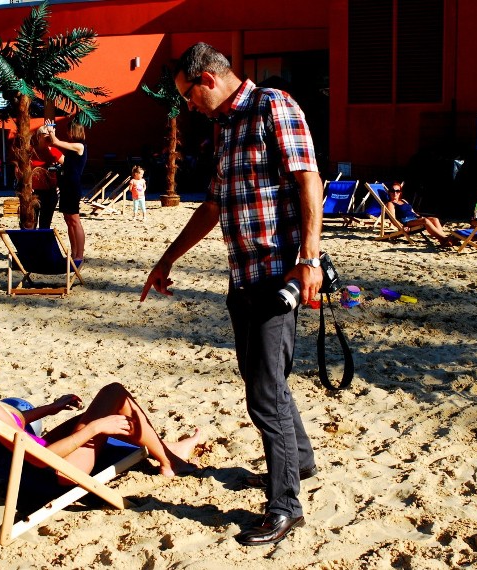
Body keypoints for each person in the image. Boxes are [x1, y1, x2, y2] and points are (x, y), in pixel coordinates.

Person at [140, 42, 322, 547]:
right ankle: (299, 461)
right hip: (241, 279)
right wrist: (167, 259)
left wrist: (308, 260)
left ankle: (285, 506)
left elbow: (310, 180)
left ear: (205, 81)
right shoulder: (224, 128)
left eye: (187, 97)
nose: (188, 108)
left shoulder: (272, 107)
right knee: (267, 382)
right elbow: (215, 205)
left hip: (276, 277)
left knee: (265, 394)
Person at [0, 328, 201, 478]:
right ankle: (170, 460)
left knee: (110, 401)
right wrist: (95, 428)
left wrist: (52, 408)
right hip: (55, 473)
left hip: (35, 460)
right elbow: (39, 460)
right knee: (114, 395)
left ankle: (168, 453)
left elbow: (11, 429)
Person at [46, 120, 87, 266]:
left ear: (74, 131)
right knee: (68, 220)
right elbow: (61, 157)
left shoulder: (79, 146)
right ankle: (74, 252)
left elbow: (56, 142)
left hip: (72, 186)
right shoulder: (71, 149)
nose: (68, 133)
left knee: (75, 220)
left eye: (69, 130)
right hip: (65, 185)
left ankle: (79, 255)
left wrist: (51, 130)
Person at [385, 181, 454, 247]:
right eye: (392, 191)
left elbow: (413, 212)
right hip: (407, 221)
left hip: (415, 218)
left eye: (397, 191)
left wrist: (420, 216)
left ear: (400, 192)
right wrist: (402, 227)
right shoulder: (390, 203)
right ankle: (445, 239)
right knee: (425, 221)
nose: (395, 193)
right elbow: (392, 219)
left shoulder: (403, 200)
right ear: (389, 192)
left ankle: (442, 240)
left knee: (435, 219)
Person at [31, 125, 63, 229]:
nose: (49, 137)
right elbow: (19, 170)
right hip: (33, 192)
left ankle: (42, 244)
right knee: (31, 223)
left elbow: (70, 166)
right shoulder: (31, 152)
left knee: (45, 224)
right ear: (39, 136)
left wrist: (61, 183)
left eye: (51, 134)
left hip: (50, 191)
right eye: (47, 135)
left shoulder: (54, 151)